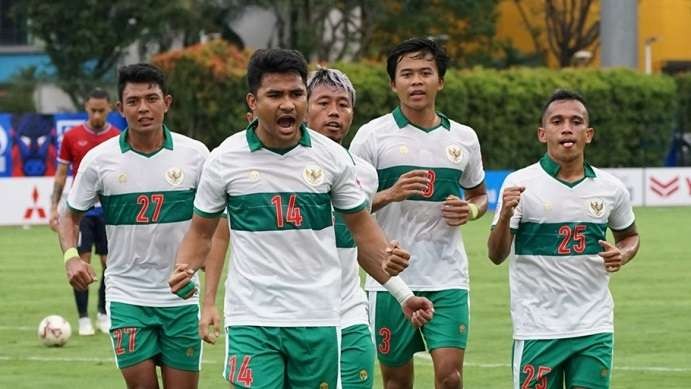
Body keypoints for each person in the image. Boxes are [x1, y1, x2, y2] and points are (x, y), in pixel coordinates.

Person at [168, 48, 434, 389]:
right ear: (252, 101)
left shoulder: (333, 159)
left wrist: (388, 256)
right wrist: (185, 267)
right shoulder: (224, 160)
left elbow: (361, 229)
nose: (288, 104)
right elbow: (202, 233)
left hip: (318, 317)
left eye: (296, 94)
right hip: (253, 318)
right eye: (275, 95)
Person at [58, 63, 216, 389]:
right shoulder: (100, 160)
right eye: (133, 101)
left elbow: (213, 225)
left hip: (181, 298)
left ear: (167, 102)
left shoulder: (196, 155)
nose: (143, 108)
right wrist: (71, 256)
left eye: (151, 98)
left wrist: (200, 266)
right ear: (120, 108)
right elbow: (69, 215)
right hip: (128, 296)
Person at [349, 37, 488, 389]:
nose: (416, 81)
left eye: (425, 72)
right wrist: (389, 194)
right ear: (393, 83)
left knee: (450, 377)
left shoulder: (464, 138)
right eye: (406, 73)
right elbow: (350, 207)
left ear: (440, 80)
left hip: (448, 275)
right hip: (389, 279)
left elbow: (481, 195)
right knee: (396, 382)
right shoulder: (371, 137)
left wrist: (470, 209)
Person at [487, 89, 640, 389]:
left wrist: (623, 254)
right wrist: (505, 215)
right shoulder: (519, 183)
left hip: (593, 327)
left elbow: (630, 237)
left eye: (576, 121)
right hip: (538, 328)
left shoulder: (611, 188)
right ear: (543, 134)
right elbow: (496, 254)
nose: (567, 128)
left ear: (589, 134)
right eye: (557, 121)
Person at [306, 67, 379, 388]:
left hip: (350, 311)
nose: (334, 112)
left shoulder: (365, 172)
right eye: (323, 103)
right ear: (303, 107)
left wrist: (404, 295)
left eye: (343, 104)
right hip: (297, 316)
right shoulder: (277, 166)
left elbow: (360, 244)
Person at [50, 88, 120, 336]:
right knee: (82, 262)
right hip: (83, 212)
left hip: (109, 212)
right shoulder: (72, 137)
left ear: (110, 108)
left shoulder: (117, 136)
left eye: (102, 110)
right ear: (86, 107)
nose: (98, 114)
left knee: (109, 264)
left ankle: (103, 312)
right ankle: (82, 318)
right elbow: (61, 175)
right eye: (93, 110)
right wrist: (53, 208)